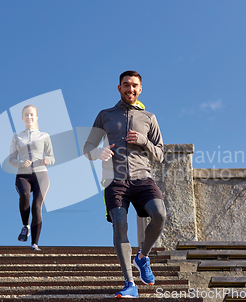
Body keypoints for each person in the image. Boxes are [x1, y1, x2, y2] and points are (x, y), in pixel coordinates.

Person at [84, 71, 166, 298]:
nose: (130, 89)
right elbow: (87, 148)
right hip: (115, 180)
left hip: (142, 178)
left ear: (140, 89)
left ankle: (142, 257)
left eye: (135, 86)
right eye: (126, 85)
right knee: (120, 224)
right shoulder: (105, 115)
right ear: (119, 88)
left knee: (159, 215)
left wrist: (143, 141)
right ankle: (130, 283)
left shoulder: (149, 117)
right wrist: (97, 152)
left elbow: (159, 154)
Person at [9, 105, 55, 251]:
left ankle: (34, 243)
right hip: (23, 174)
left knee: (37, 206)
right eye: (26, 115)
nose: (29, 117)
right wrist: (21, 163)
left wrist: (47, 160)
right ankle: (25, 225)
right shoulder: (17, 137)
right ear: (22, 118)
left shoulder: (44, 136)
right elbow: (11, 159)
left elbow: (52, 156)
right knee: (24, 194)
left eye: (31, 115)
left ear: (36, 117)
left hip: (41, 174)